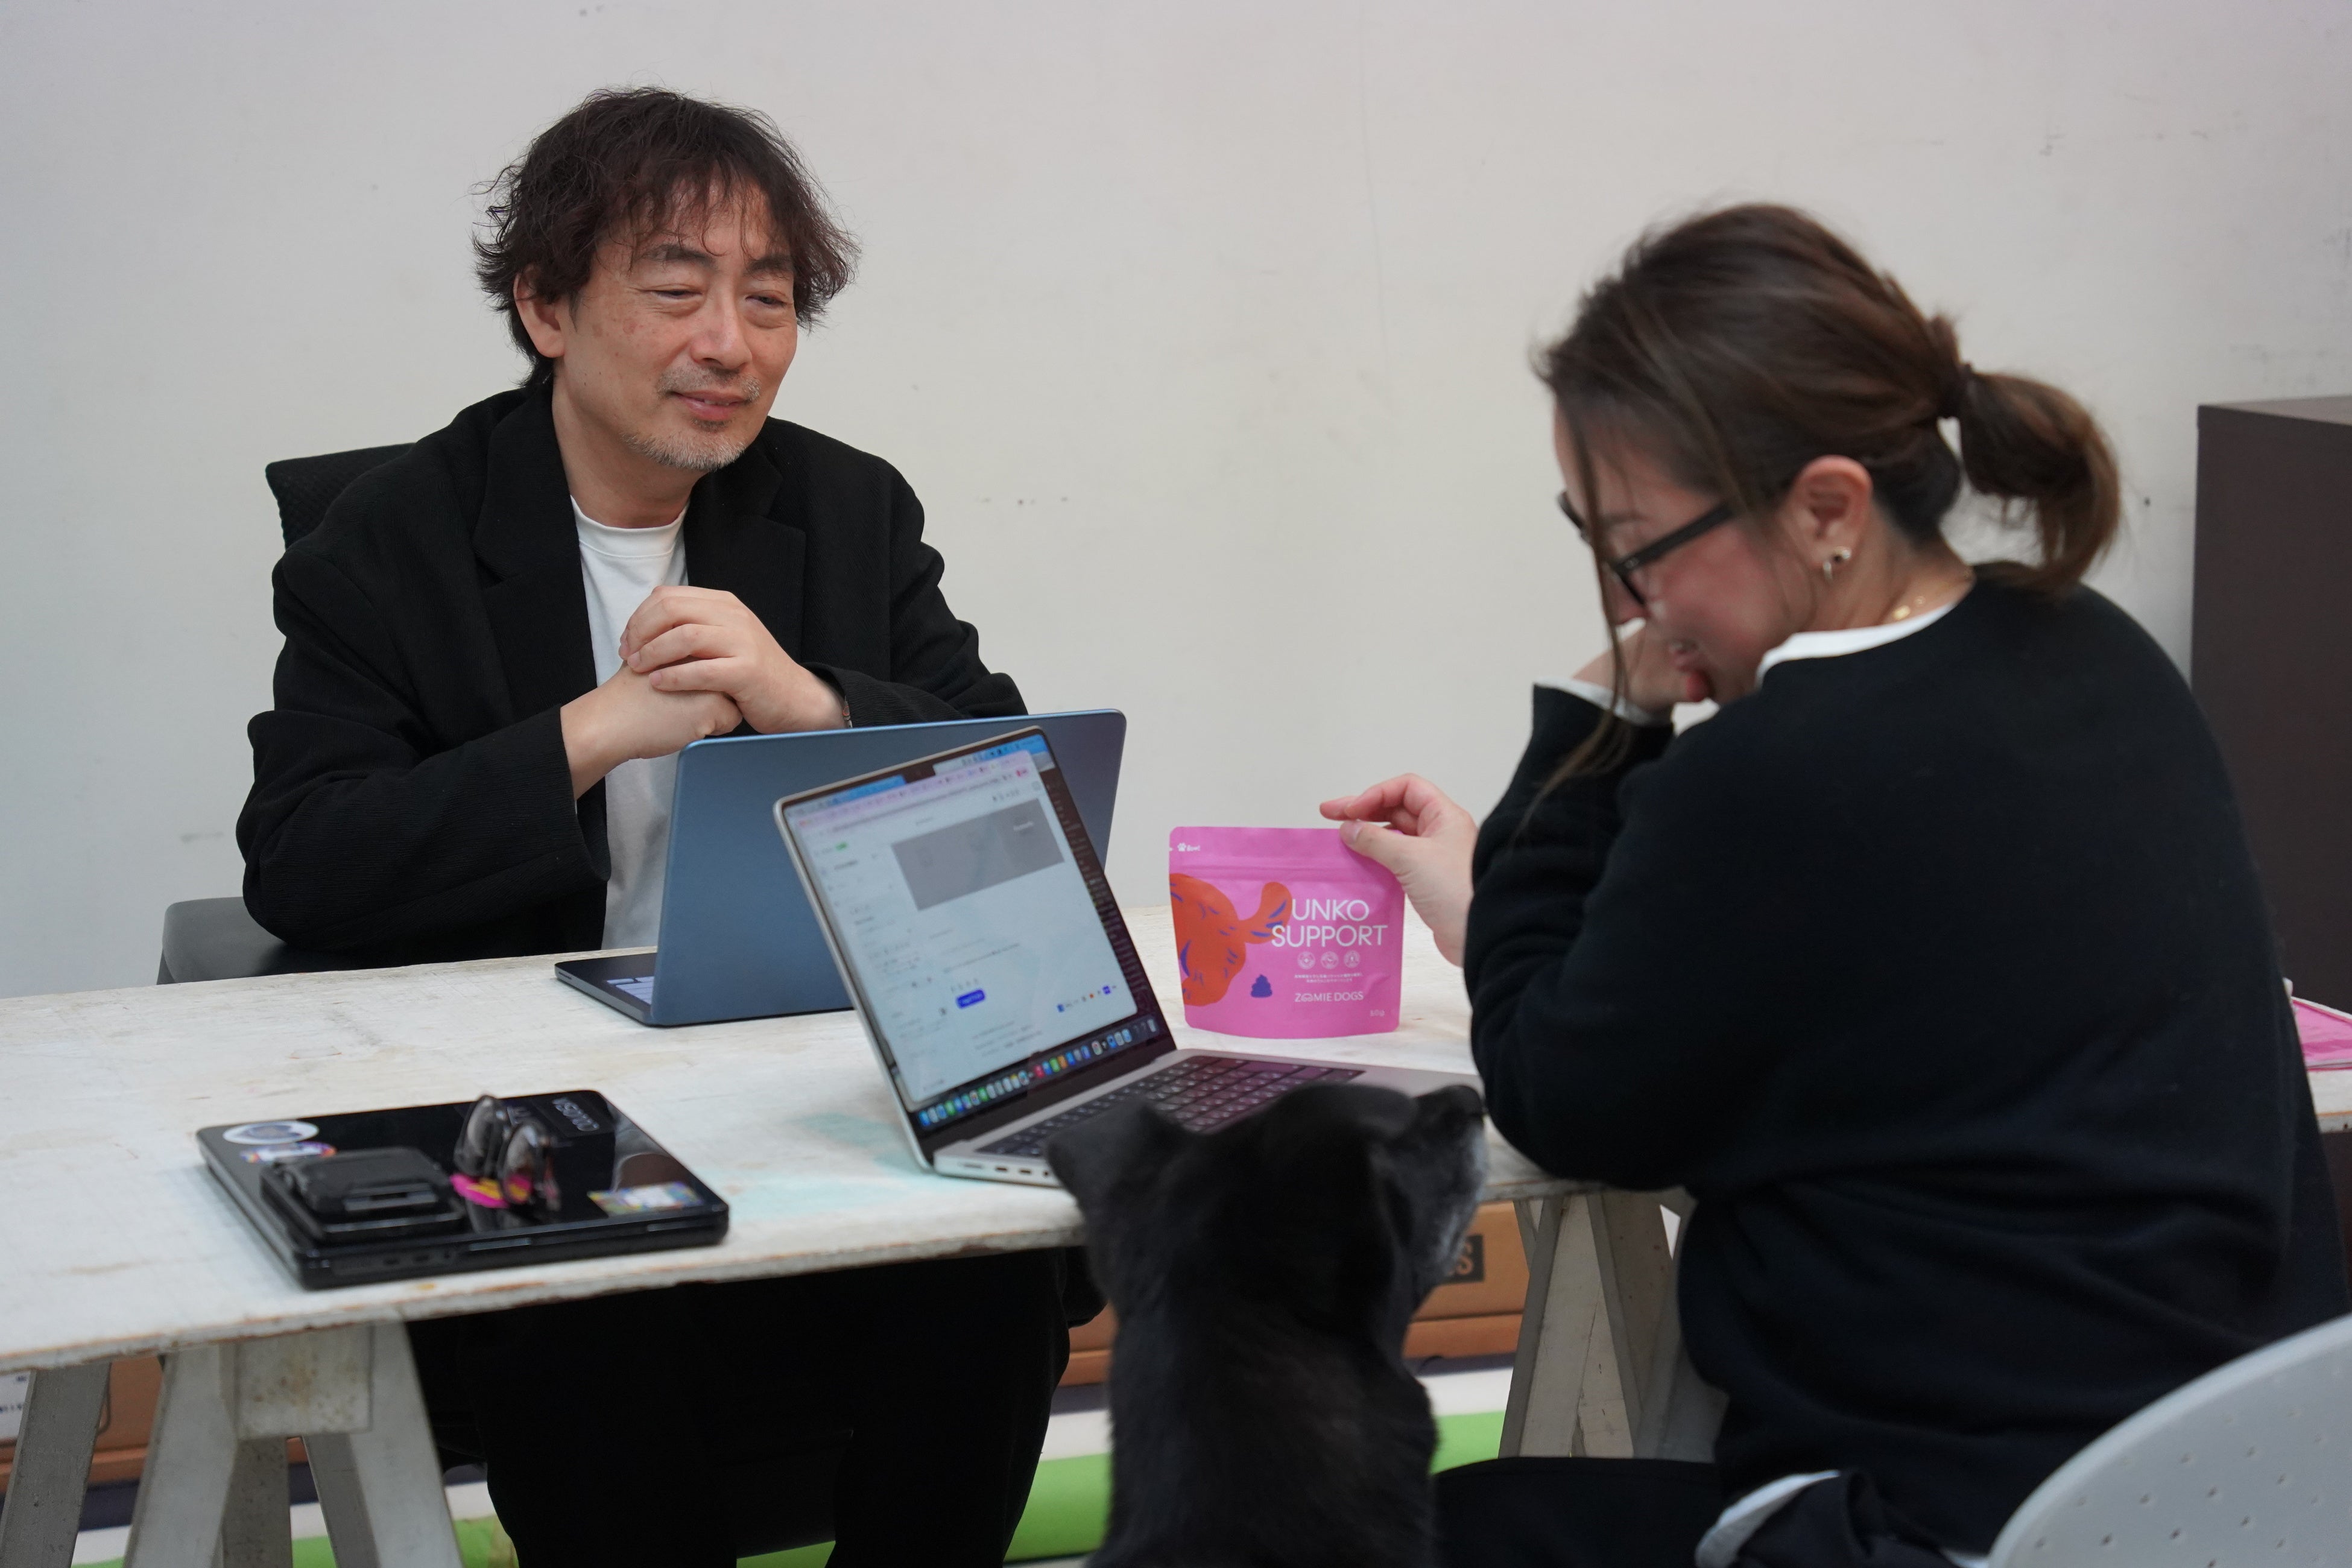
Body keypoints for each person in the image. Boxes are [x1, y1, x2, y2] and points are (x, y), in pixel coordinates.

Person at [1324, 205, 2348, 1568]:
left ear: (1826, 509)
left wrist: (1603, 718)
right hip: (2235, 1498)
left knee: (1382, 1529)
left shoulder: (1775, 773)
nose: (1629, 601)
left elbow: (1559, 1095)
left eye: (1636, 547)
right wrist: (1504, 913)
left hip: (1939, 1527)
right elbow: (1802, 984)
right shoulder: (2089, 649)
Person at [237, 89, 1070, 1566]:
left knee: (997, 1273)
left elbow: (1011, 792)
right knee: (589, 1315)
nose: (730, 343)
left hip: (801, 1083)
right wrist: (594, 730)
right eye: (678, 291)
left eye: (770, 298)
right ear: (545, 307)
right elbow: (307, 854)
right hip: (533, 1117)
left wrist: (810, 703)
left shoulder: (850, 508)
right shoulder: (392, 538)